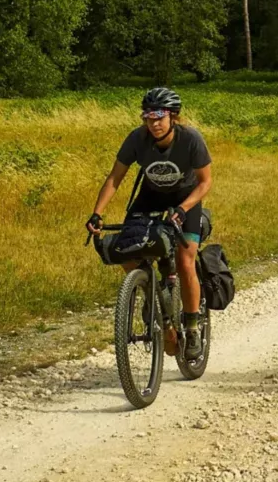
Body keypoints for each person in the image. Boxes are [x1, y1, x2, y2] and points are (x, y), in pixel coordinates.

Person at [87, 87, 213, 362]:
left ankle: (191, 329)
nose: (154, 123)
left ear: (173, 117)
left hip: (185, 200)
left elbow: (205, 182)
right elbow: (114, 178)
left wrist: (182, 208)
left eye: (159, 116)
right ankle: (151, 292)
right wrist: (97, 213)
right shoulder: (137, 138)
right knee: (127, 248)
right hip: (149, 197)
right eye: (148, 117)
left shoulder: (190, 139)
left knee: (185, 260)